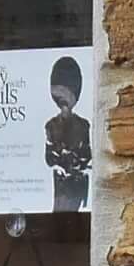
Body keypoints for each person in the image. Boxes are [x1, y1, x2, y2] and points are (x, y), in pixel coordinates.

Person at [43, 54, 90, 211]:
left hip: (78, 185)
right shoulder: (51, 126)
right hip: (62, 187)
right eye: (59, 94)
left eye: (67, 93)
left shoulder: (83, 125)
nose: (64, 104)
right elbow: (49, 158)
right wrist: (60, 163)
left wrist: (79, 162)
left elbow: (87, 154)